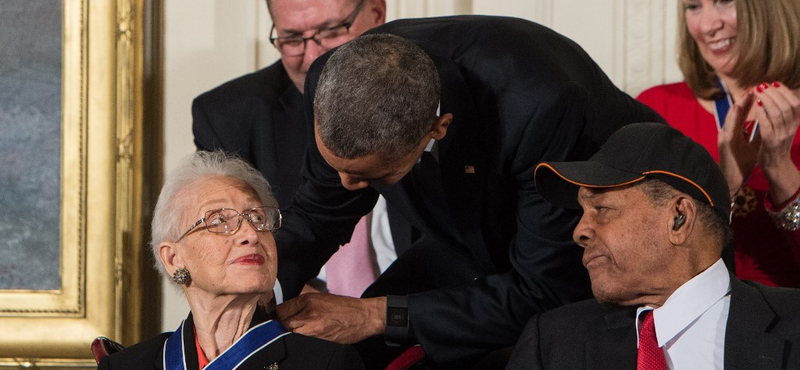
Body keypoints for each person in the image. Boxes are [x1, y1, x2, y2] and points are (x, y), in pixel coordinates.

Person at [273, 16, 665, 368]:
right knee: (347, 353)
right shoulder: (331, 78)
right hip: (466, 234)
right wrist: (256, 291)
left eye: (375, 176)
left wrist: (375, 315)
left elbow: (542, 288)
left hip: (601, 245)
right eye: (336, 166)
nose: (344, 186)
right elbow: (317, 214)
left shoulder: (540, 104)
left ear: (437, 127)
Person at [506, 122, 800, 370]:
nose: (580, 232)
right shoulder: (551, 344)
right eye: (581, 213)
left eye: (602, 209)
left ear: (678, 218)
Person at [191, 0, 399, 298]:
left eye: (331, 31)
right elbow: (225, 254)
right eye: (291, 39)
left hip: (428, 319)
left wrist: (378, 316)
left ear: (377, 13)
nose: (314, 57)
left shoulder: (437, 89)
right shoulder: (228, 116)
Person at [97, 151, 364, 369]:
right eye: (218, 221)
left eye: (258, 218)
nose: (250, 234)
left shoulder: (327, 364)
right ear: (173, 258)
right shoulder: (123, 367)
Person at [637, 0, 800, 287]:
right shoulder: (657, 109)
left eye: (724, 1)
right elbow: (640, 256)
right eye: (693, 7)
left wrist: (780, 170)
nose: (709, 25)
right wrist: (724, 188)